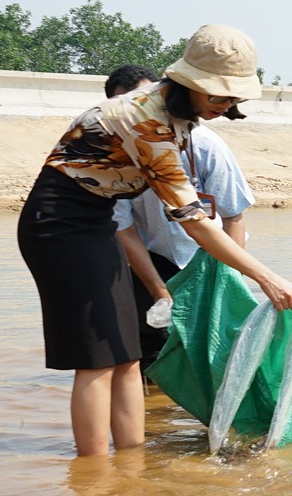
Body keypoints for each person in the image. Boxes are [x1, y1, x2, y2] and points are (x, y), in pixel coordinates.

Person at [17, 25, 292, 457]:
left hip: (98, 221)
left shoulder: (179, 117)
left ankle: (131, 467)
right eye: (217, 96)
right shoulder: (145, 121)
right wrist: (265, 277)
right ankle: (92, 478)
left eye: (232, 99)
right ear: (188, 83)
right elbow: (193, 221)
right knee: (95, 359)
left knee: (127, 354)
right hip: (59, 225)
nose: (225, 107)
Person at [99, 65, 257, 372]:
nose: (140, 113)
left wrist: (229, 282)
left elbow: (232, 216)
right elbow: (125, 230)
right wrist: (159, 291)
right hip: (149, 253)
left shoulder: (206, 146)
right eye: (129, 105)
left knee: (212, 343)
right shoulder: (117, 150)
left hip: (209, 254)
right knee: (149, 343)